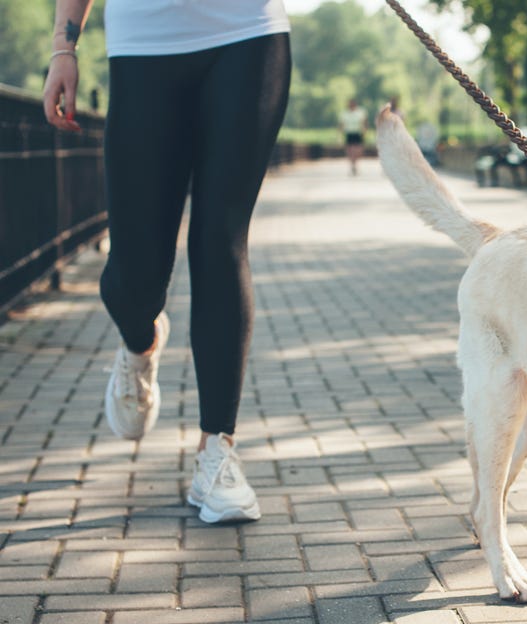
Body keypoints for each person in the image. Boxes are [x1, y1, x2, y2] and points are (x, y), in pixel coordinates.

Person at [43, 0, 291, 524]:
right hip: (145, 45)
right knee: (135, 275)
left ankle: (216, 452)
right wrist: (64, 47)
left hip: (249, 33)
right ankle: (142, 339)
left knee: (220, 240)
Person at [338, 98, 368, 176]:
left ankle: (355, 163)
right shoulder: (344, 113)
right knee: (350, 151)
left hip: (357, 133)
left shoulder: (360, 112)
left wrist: (364, 132)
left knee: (358, 151)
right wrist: (340, 135)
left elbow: (364, 122)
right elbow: (342, 124)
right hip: (349, 133)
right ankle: (353, 165)